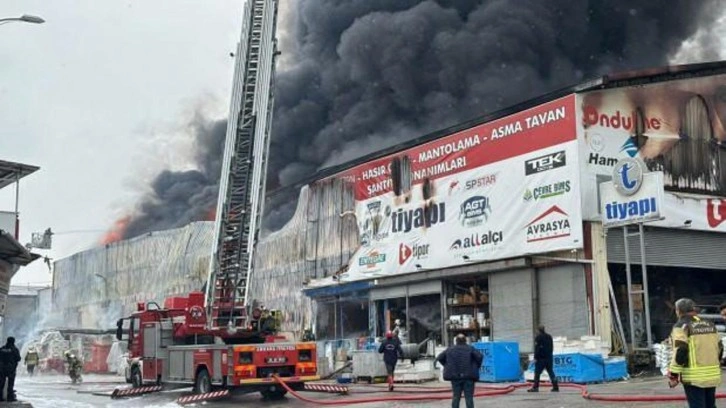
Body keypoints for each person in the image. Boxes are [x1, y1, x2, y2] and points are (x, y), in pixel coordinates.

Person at [668, 298, 722, 408]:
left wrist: (674, 374)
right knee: (710, 405)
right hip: (712, 374)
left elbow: (680, 350)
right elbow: (720, 347)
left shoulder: (681, 326)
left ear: (678, 311)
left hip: (694, 377)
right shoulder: (709, 324)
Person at [436, 334, 483, 408]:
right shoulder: (470, 348)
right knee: (469, 398)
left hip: (455, 377)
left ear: (456, 341)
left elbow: (439, 357)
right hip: (468, 377)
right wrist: (476, 366)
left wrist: (446, 365)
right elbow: (480, 357)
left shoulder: (450, 349)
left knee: (456, 397)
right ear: (465, 340)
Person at [528, 325, 559, 392]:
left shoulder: (538, 337)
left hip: (541, 358)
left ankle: (535, 387)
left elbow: (537, 348)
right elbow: (552, 347)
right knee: (551, 372)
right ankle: (555, 386)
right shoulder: (549, 336)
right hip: (549, 357)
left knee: (537, 373)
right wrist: (549, 355)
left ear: (538, 330)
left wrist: (535, 358)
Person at [0, 337, 21, 402]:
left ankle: (0, 397)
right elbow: (18, 358)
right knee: (10, 383)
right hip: (11, 369)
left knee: (1, 383)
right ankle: (10, 397)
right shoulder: (14, 349)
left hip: (2, 369)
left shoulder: (2, 349)